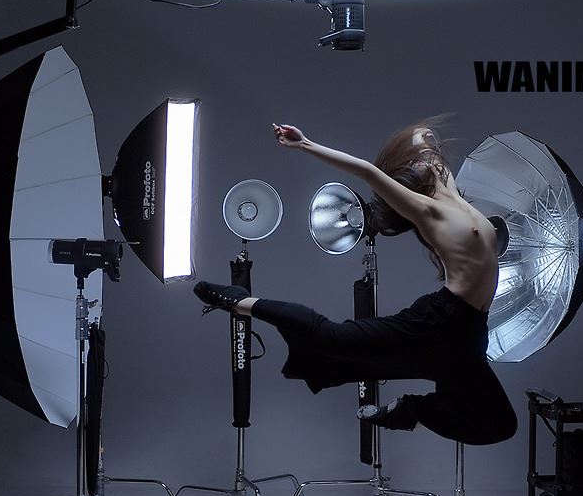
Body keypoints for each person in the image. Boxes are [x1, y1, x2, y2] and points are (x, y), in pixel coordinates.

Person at [193, 118, 517, 446]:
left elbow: (425, 141)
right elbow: (366, 171)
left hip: (471, 332)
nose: (426, 160)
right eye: (418, 162)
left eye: (425, 159)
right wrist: (304, 143)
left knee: (501, 424)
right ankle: (240, 300)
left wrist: (420, 139)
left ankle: (412, 413)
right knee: (331, 338)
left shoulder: (449, 186)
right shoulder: (426, 211)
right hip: (441, 322)